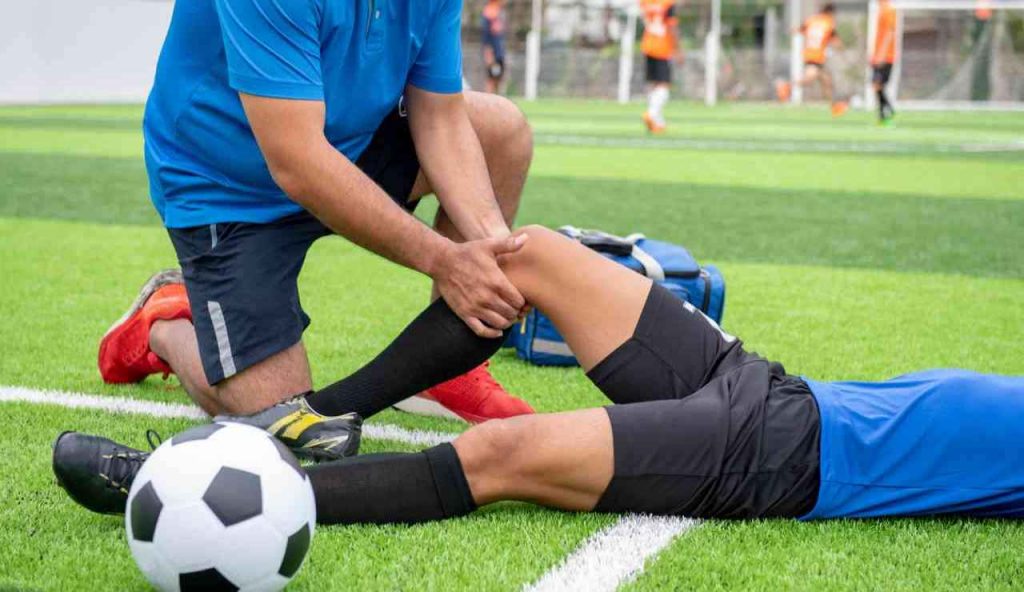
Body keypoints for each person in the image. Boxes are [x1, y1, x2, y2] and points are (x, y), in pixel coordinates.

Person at [55, 226, 1024, 522]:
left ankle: (176, 486)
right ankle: (312, 416)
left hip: (779, 459)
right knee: (526, 256)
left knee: (503, 450)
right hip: (775, 391)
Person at [98, 0, 539, 451]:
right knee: (283, 417)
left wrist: (495, 249)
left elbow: (441, 117)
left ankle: (449, 373)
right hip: (227, 186)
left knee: (499, 128)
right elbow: (298, 161)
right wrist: (447, 261)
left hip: (345, 143)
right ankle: (166, 321)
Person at [775, 3, 849, 117]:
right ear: (830, 12)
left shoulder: (812, 20)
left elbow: (799, 29)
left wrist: (790, 31)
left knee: (827, 82)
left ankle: (834, 107)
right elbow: (835, 40)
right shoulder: (828, 23)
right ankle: (786, 87)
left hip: (809, 54)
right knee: (809, 79)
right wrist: (841, 48)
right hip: (817, 56)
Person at [639, 0, 680, 134]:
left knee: (654, 85)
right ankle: (651, 114)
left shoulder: (645, 2)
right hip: (663, 48)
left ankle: (658, 122)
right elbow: (672, 27)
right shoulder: (668, 3)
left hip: (648, 45)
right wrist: (678, 49)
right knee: (664, 86)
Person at [871, 0, 898, 125]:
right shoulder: (881, 10)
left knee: (877, 84)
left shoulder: (888, 10)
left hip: (886, 56)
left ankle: (887, 113)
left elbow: (890, 32)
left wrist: (881, 54)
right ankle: (885, 114)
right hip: (880, 55)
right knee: (877, 85)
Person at [481, 0, 508, 95]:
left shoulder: (500, 13)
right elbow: (486, 37)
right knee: (491, 79)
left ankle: (497, 102)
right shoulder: (488, 14)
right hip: (493, 54)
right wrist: (488, 54)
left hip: (499, 52)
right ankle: (488, 103)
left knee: (499, 78)